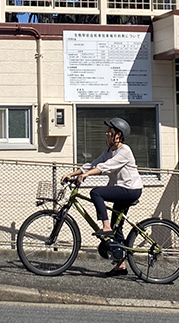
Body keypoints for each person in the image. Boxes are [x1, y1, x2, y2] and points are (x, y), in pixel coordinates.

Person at [61, 117, 143, 277]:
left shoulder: (124, 151)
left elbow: (105, 167)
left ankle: (105, 227)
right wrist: (72, 174)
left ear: (118, 135)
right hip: (121, 189)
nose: (106, 134)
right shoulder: (108, 152)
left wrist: (86, 176)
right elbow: (92, 164)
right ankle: (121, 266)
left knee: (96, 192)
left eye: (110, 132)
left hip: (130, 189)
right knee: (117, 227)